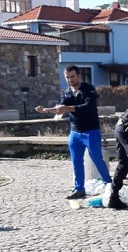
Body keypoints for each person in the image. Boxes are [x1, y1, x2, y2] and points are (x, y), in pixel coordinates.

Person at [35, 65, 112, 199]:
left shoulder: (88, 89)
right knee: (76, 162)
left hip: (91, 131)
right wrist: (46, 110)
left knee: (97, 159)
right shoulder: (66, 93)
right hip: (75, 132)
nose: (70, 80)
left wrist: (68, 108)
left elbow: (88, 106)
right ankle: (79, 189)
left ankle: (110, 185)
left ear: (78, 76)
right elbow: (61, 109)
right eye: (67, 77)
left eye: (72, 76)